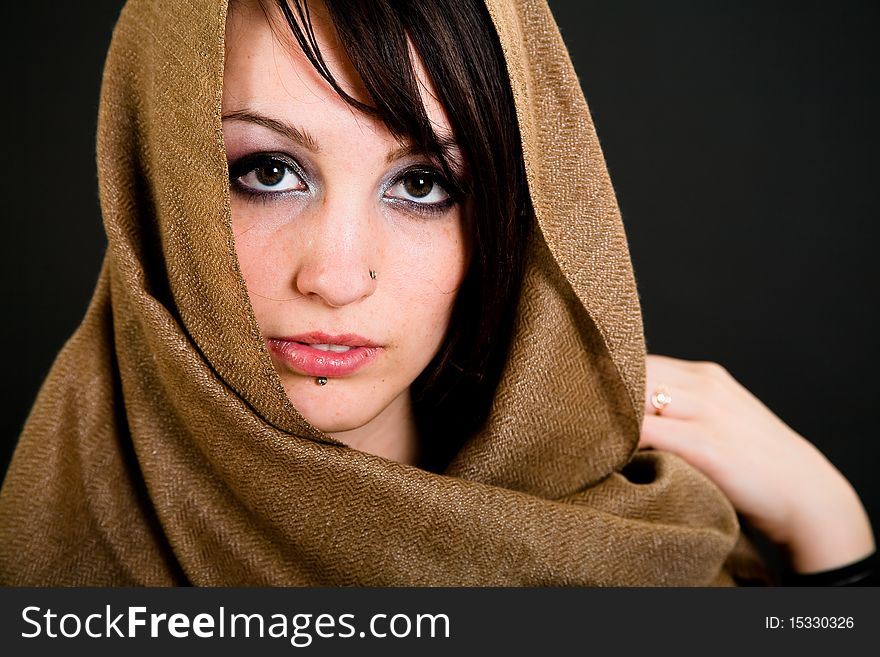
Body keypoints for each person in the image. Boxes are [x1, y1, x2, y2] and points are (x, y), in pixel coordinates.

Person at [0, 0, 873, 585]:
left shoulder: (657, 554)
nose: (337, 278)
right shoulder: (38, 570)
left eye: (422, 185)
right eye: (265, 171)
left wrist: (831, 534)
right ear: (155, 182)